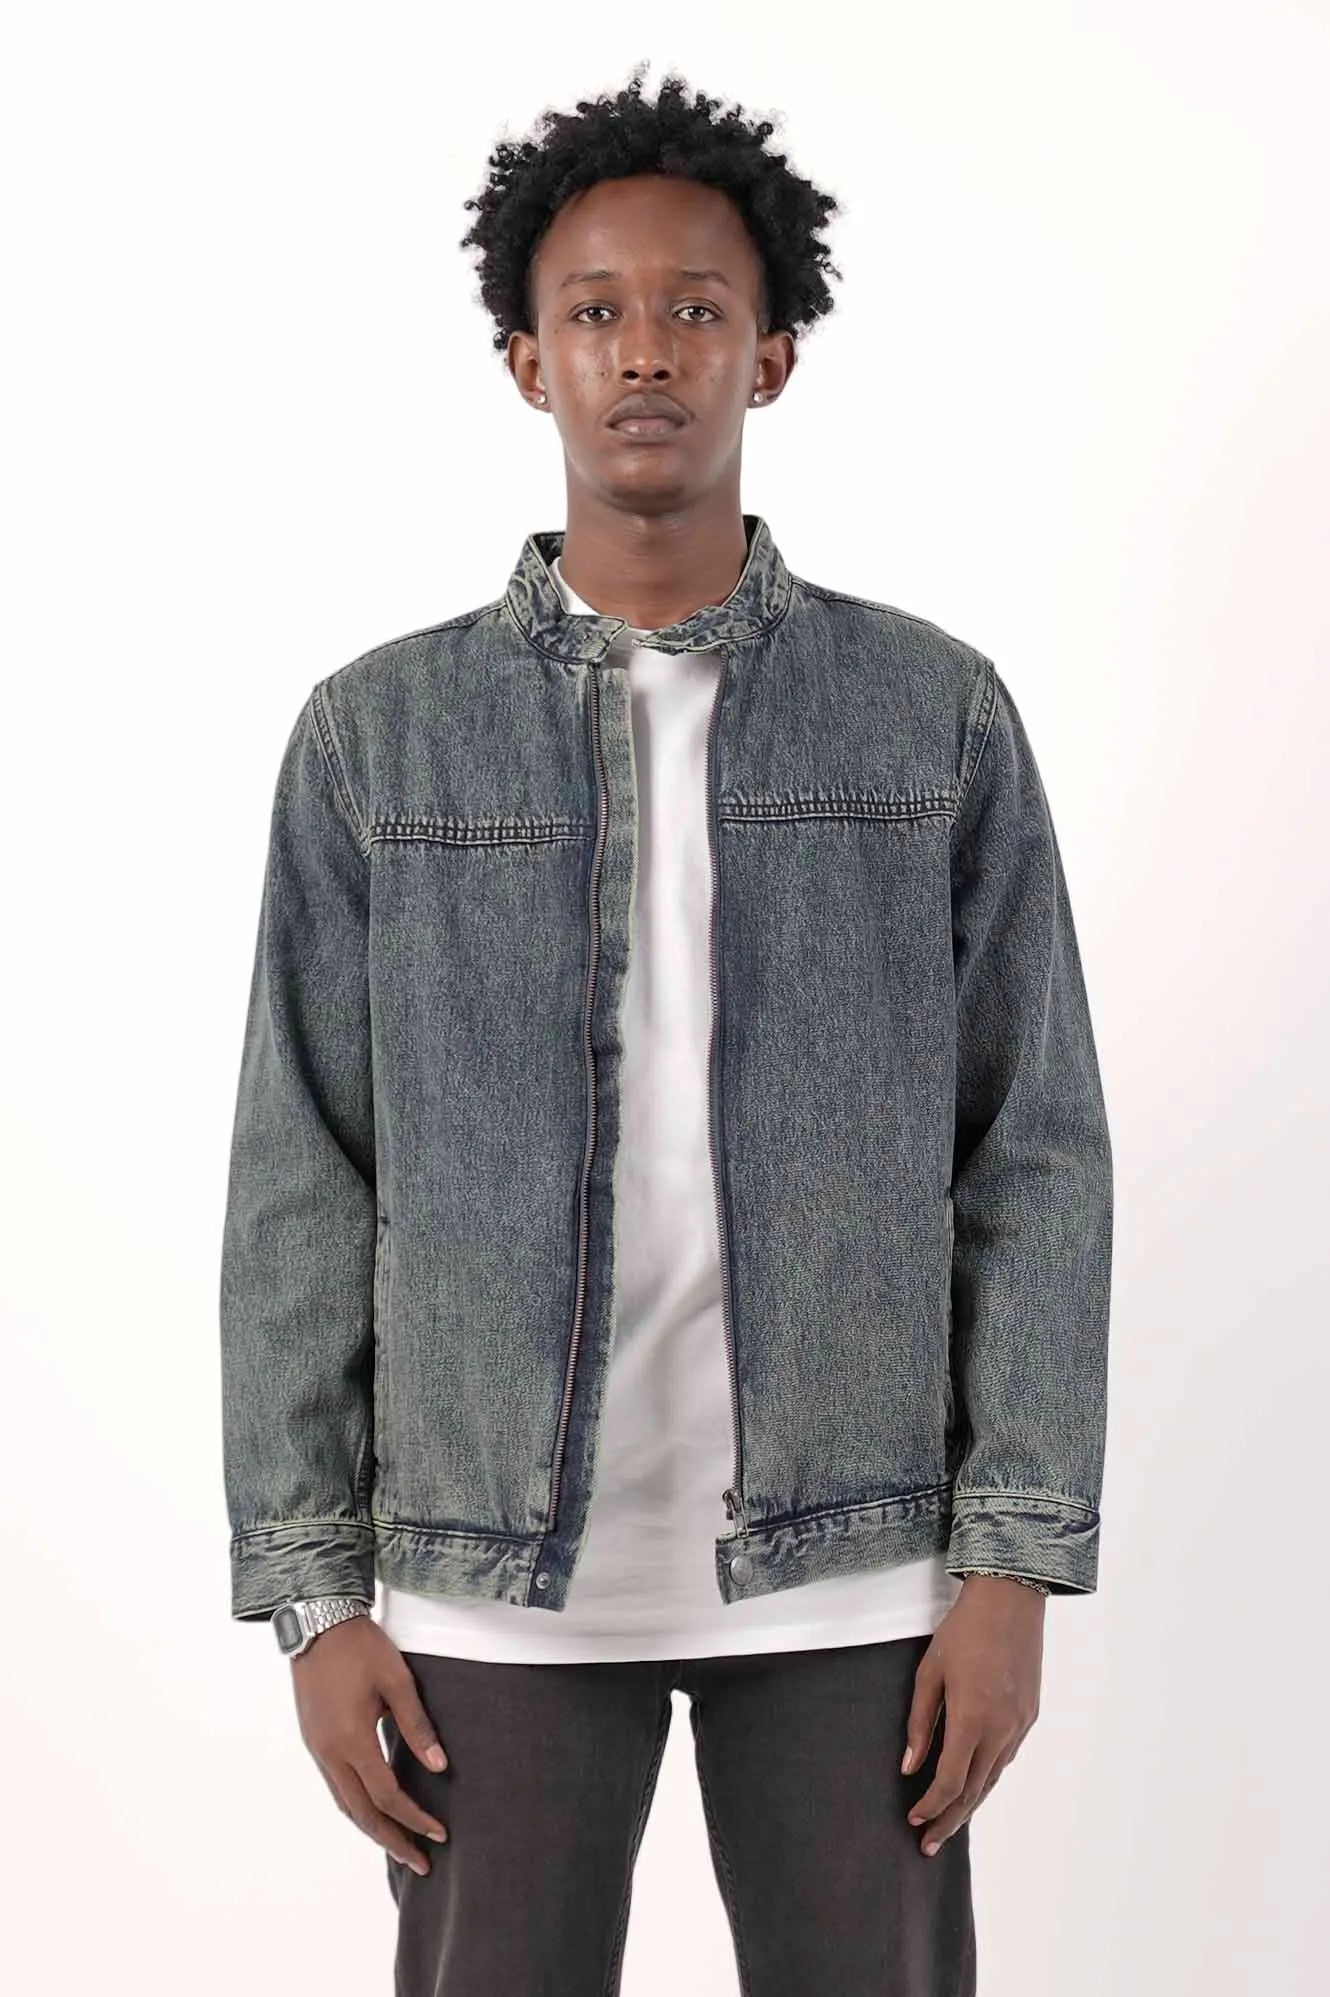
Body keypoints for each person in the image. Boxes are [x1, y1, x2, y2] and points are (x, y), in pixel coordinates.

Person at [219, 63, 1114, 1997]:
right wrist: (313, 1594)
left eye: (696, 309)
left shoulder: (930, 715)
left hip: (859, 1567)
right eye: (595, 311)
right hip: (486, 1578)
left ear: (769, 357)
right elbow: (303, 1169)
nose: (646, 350)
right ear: (524, 362)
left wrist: (1009, 1563)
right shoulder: (377, 738)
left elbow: (1031, 1146)